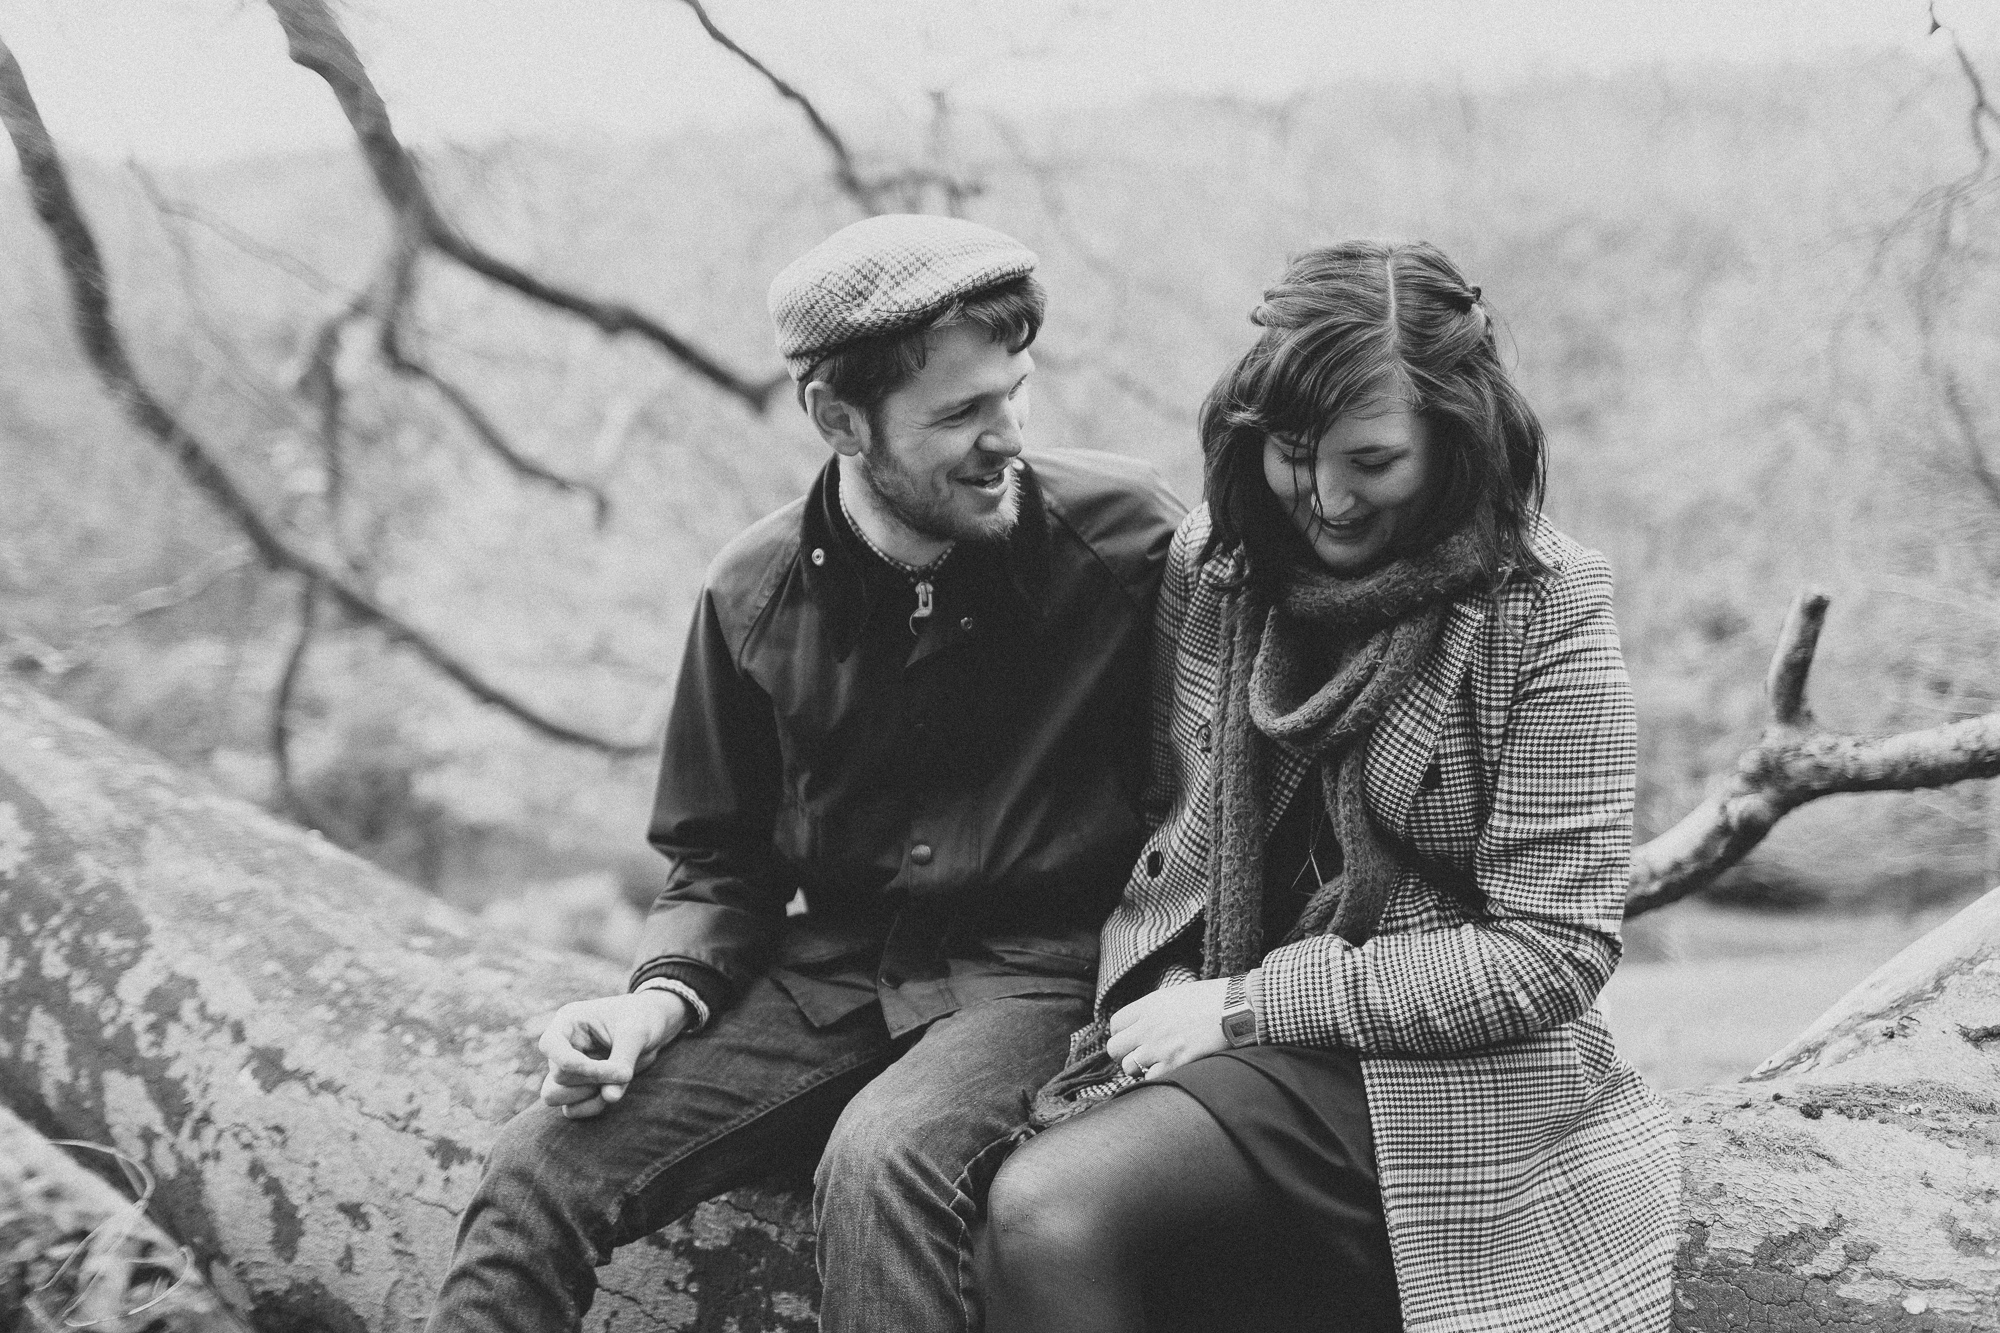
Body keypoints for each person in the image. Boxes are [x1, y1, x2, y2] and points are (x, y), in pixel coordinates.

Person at [428, 214, 1183, 1333]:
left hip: (1044, 978)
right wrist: (653, 1001)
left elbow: (1225, 790)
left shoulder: (1130, 544)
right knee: (541, 1161)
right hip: (829, 979)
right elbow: (715, 859)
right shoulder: (751, 592)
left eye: (1015, 393)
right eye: (959, 414)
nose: (1007, 437)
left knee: (881, 1160)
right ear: (838, 419)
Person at [974, 240, 1680, 1333]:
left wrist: (1250, 1005)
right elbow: (1170, 819)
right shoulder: (1219, 567)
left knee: (1051, 1209)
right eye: (1295, 456)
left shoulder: (1543, 607)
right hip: (1218, 1028)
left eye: (1372, 462)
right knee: (1017, 1217)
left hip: (1436, 1067)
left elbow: (1554, 951)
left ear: (1455, 440)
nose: (1329, 499)